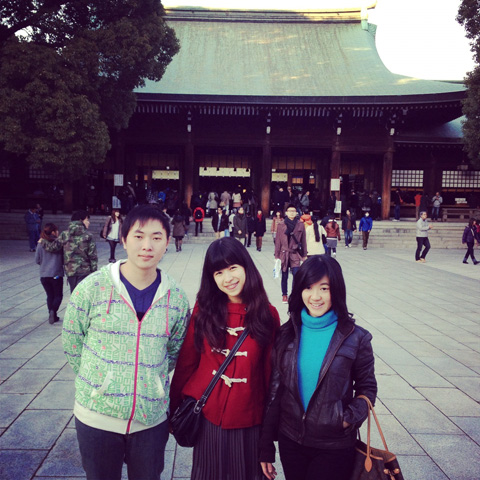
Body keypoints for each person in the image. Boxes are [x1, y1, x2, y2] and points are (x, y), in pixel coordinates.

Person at [63, 204, 190, 480]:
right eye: (138, 236)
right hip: (97, 416)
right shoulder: (92, 288)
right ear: (123, 239)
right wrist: (100, 382)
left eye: (156, 237)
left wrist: (151, 383)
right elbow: (73, 341)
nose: (147, 246)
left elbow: (174, 352)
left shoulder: (176, 298)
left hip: (151, 419)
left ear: (168, 242)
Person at [170, 237, 280, 480]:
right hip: (208, 416)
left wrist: (267, 437)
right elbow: (187, 362)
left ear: (246, 267)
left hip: (250, 420)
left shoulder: (267, 315)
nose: (227, 278)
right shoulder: (203, 309)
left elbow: (269, 377)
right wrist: (173, 406)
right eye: (219, 272)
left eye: (233, 268)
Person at [259, 255, 377, 480]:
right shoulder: (287, 334)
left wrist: (346, 419)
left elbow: (368, 388)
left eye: (324, 288)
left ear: (336, 290)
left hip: (334, 445)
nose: (315, 297)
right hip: (291, 439)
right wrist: (265, 445)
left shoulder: (356, 338)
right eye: (308, 288)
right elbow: (275, 391)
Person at [44, 210, 98, 293]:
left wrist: (43, 241)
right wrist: (94, 272)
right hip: (85, 271)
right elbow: (93, 256)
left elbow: (52, 247)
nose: (89, 222)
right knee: (84, 294)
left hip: (70, 271)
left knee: (74, 294)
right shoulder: (88, 236)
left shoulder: (64, 234)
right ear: (80, 220)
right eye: (87, 220)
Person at [275, 204, 307, 304]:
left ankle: (294, 295)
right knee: (284, 275)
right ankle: (284, 295)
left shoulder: (300, 224)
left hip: (295, 253)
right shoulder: (281, 224)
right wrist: (276, 255)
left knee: (296, 275)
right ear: (286, 213)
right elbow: (278, 241)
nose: (292, 213)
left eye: (294, 211)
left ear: (296, 213)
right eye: (290, 211)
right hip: (284, 253)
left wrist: (304, 255)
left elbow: (303, 240)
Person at [36, 223, 64, 325]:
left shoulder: (40, 243)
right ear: (53, 232)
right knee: (58, 295)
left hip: (44, 275)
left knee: (50, 295)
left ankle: (52, 315)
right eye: (57, 230)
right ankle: (53, 311)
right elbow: (64, 259)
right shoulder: (58, 244)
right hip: (56, 274)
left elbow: (37, 260)